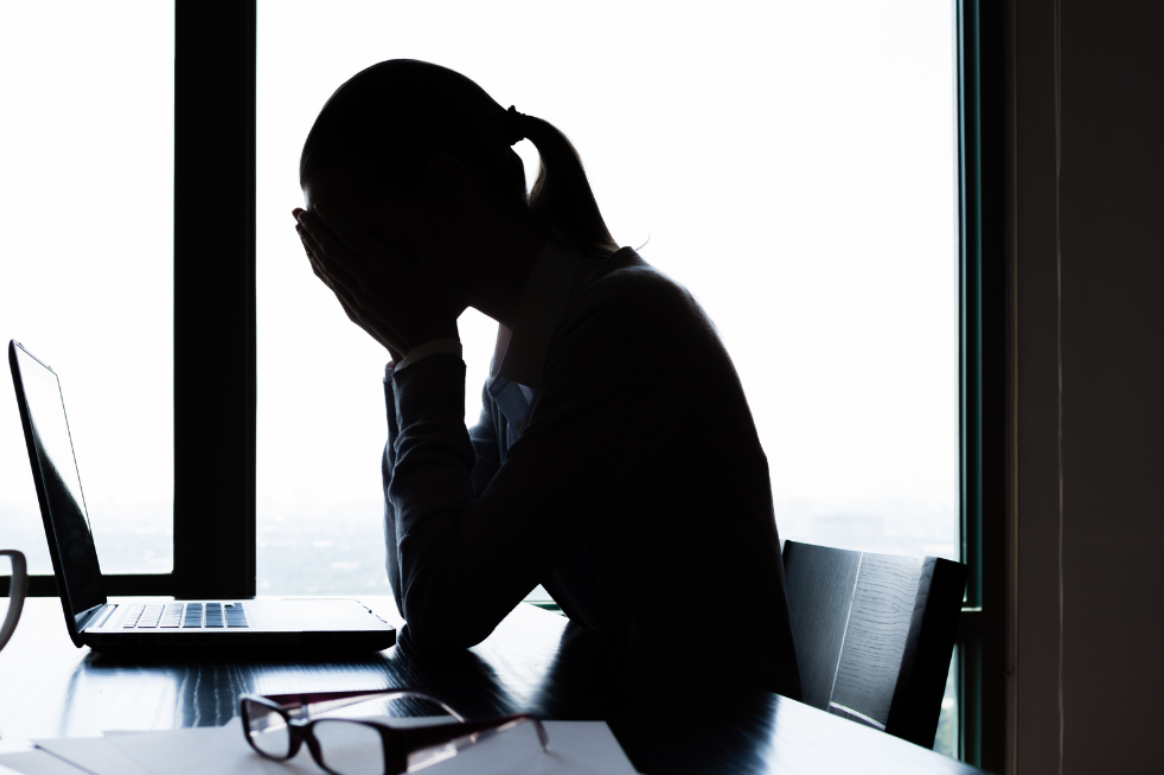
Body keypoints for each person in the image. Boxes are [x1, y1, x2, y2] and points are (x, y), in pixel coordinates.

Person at [294, 60, 801, 699]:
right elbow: (424, 581)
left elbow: (447, 608)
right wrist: (410, 361)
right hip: (649, 721)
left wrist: (422, 357)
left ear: (447, 188)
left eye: (354, 243)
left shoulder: (624, 323)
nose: (352, 277)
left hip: (711, 742)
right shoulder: (534, 331)